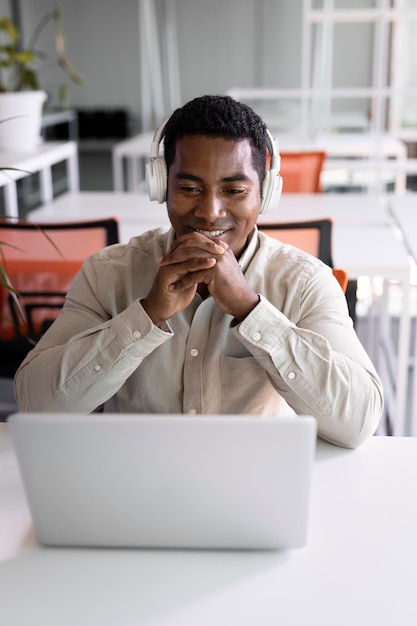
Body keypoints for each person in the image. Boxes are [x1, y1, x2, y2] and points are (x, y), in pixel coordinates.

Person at [14, 95, 383, 448]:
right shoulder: (107, 274)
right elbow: (36, 404)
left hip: (254, 487)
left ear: (265, 193)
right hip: (133, 486)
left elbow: (358, 422)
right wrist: (147, 315)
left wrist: (251, 310)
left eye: (235, 190)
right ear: (161, 185)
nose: (209, 212)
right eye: (189, 187)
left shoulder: (305, 283)